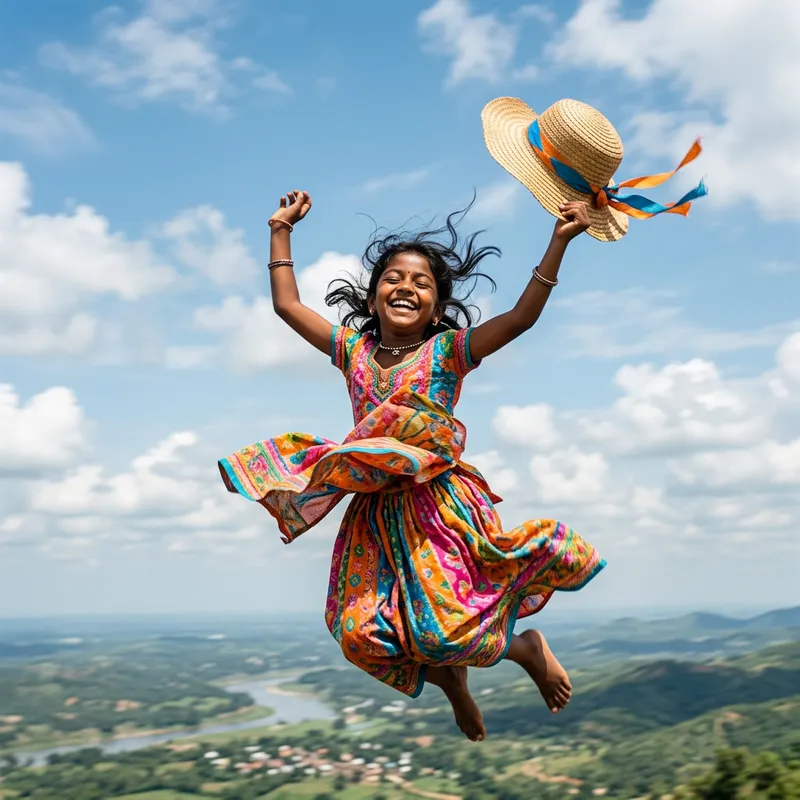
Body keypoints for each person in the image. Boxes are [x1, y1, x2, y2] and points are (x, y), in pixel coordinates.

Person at [219, 97, 706, 742]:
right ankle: (451, 679)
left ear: (438, 304)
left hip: (434, 506)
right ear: (371, 295)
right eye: (392, 278)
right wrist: (280, 230)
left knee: (444, 623)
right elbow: (287, 305)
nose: (405, 287)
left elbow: (521, 318)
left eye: (422, 284)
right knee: (361, 631)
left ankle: (522, 649)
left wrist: (557, 244)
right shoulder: (353, 350)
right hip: (373, 508)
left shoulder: (450, 352)